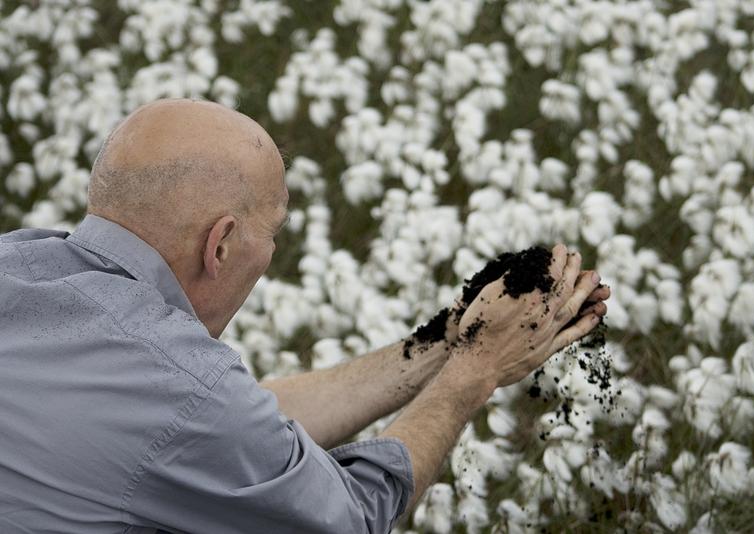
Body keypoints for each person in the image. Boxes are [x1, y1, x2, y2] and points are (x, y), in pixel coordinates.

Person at [0, 98, 610, 533]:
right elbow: (349, 518)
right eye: (274, 231)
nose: (272, 251)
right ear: (221, 245)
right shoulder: (184, 394)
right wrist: (474, 373)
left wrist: (445, 342)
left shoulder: (20, 269)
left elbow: (236, 434)